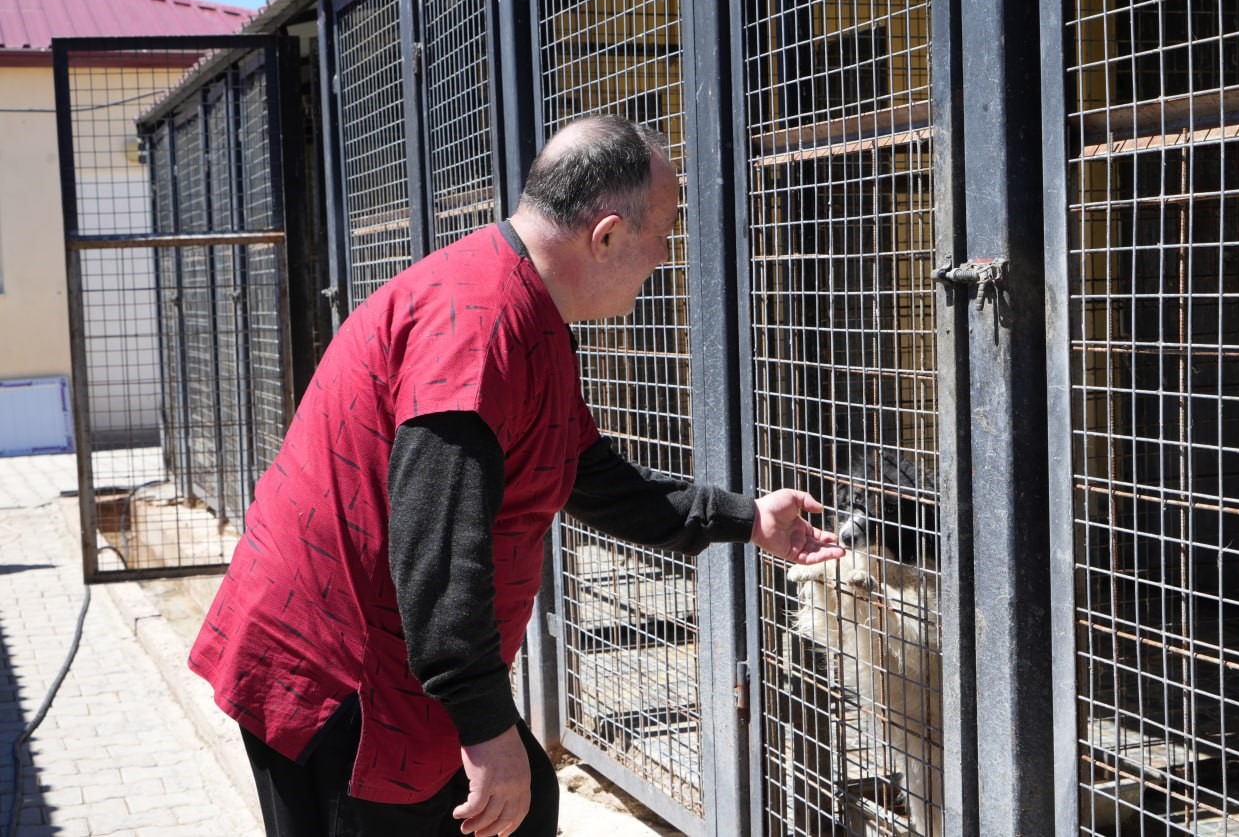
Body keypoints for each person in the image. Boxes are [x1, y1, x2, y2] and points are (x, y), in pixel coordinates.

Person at [188, 114, 843, 837]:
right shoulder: (482, 330)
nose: (666, 255)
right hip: (341, 680)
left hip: (396, 657)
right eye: (663, 232)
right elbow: (436, 553)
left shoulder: (524, 303)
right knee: (511, 800)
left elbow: (583, 470)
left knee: (532, 811)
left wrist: (745, 518)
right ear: (606, 236)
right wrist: (486, 729)